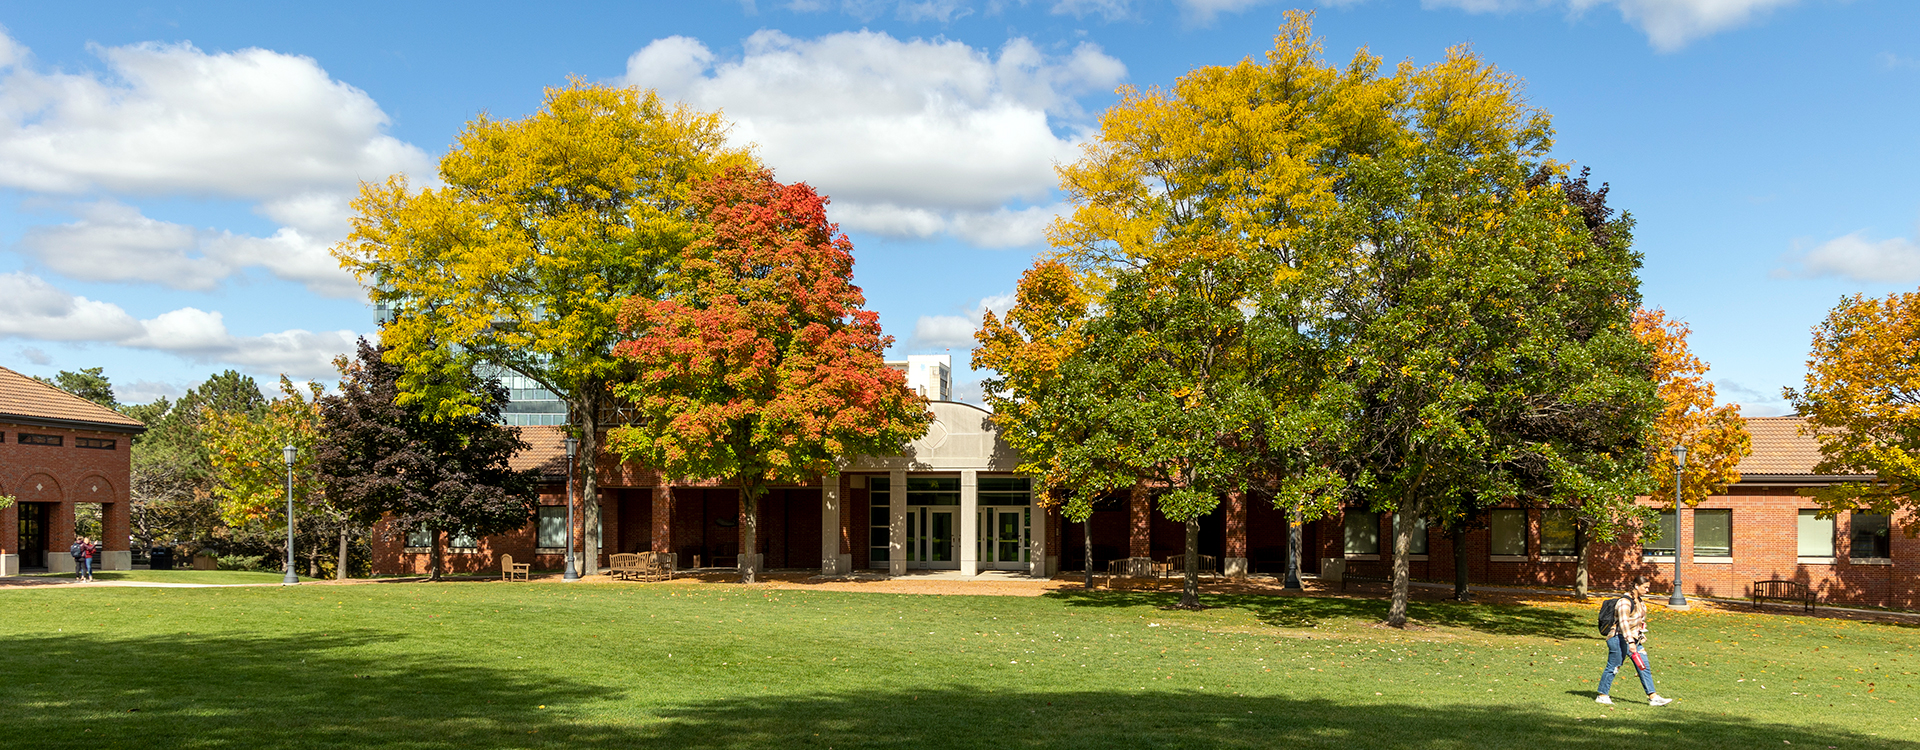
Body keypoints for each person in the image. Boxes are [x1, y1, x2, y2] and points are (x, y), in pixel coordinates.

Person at [1597, 575, 1672, 706]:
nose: (1647, 590)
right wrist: (1630, 642)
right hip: (1618, 638)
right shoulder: (1624, 602)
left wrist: (1641, 634)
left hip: (1634, 639)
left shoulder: (1640, 602)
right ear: (1636, 586)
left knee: (1644, 666)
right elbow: (1624, 623)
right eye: (1645, 587)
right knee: (1614, 666)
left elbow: (1639, 621)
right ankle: (1602, 695)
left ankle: (1653, 697)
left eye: (1648, 587)